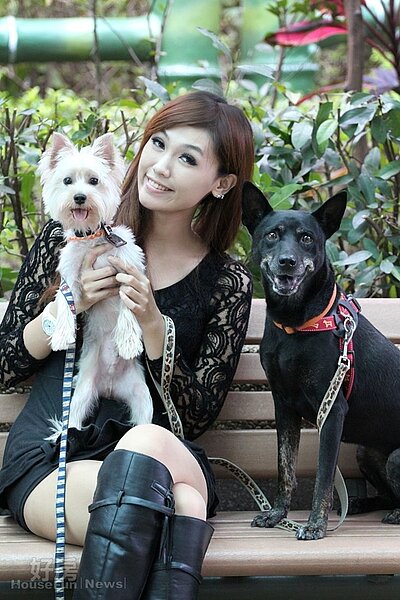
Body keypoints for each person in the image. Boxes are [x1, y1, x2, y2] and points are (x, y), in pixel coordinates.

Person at [0, 90, 254, 599]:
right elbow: (5, 365)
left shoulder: (227, 282)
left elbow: (195, 417)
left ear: (222, 183)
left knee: (144, 446)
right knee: (180, 506)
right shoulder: (69, 236)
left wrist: (154, 326)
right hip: (58, 454)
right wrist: (67, 306)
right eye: (158, 143)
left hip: (161, 450)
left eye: (187, 158)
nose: (160, 166)